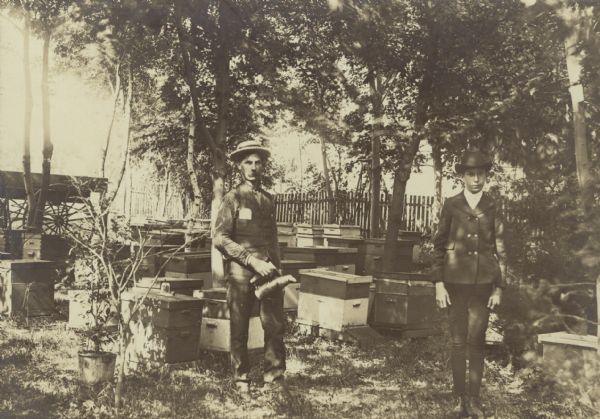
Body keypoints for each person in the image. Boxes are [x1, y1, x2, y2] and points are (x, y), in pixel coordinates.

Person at [432, 150, 507, 418]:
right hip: (454, 284)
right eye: (471, 174)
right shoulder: (452, 204)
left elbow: (501, 248)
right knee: (457, 342)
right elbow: (439, 246)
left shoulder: (493, 204)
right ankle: (457, 399)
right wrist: (439, 283)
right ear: (462, 176)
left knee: (477, 341)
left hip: (483, 284)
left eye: (481, 174)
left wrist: (499, 287)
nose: (476, 179)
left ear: (487, 176)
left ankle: (473, 401)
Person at [213, 140, 285, 393]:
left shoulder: (268, 199)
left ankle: (274, 379)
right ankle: (241, 380)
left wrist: (276, 267)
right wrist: (251, 260)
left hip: (269, 271)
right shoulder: (233, 198)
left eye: (258, 162)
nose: (253, 167)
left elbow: (273, 239)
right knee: (240, 327)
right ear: (240, 166)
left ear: (263, 166)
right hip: (242, 271)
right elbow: (220, 238)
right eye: (248, 162)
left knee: (274, 326)